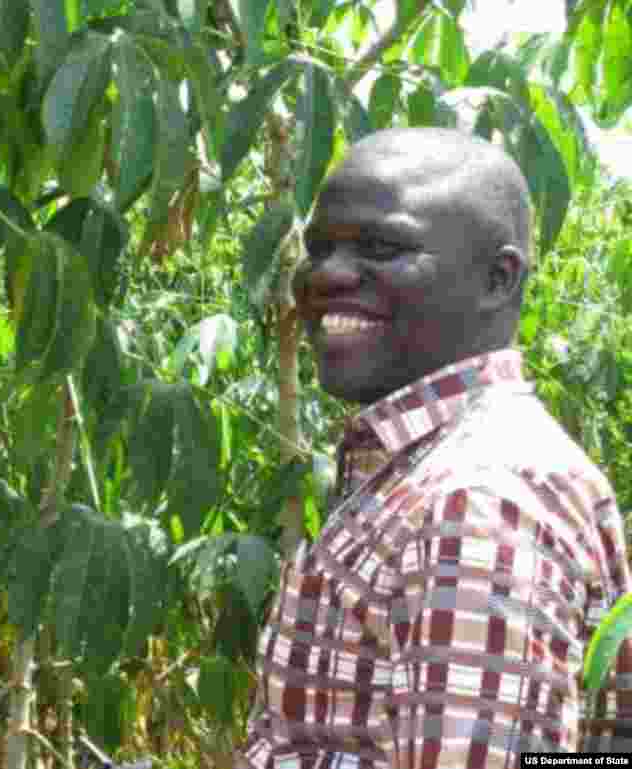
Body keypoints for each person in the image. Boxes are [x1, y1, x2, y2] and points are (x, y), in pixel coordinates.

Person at [238, 127, 632, 769]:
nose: (326, 276)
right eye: (319, 248)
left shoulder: (479, 499)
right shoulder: (421, 470)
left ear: (497, 280)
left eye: (382, 247)